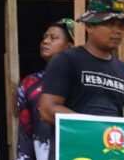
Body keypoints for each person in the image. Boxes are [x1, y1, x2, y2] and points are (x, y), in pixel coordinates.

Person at [39, 0, 124, 130]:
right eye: (109, 24)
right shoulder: (66, 60)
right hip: (75, 149)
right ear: (89, 26)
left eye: (121, 26)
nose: (117, 31)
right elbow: (48, 110)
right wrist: (93, 130)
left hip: (114, 148)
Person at [16, 18, 75, 160]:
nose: (46, 41)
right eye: (45, 38)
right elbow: (25, 133)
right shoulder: (29, 83)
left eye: (53, 38)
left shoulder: (81, 80)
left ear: (69, 46)